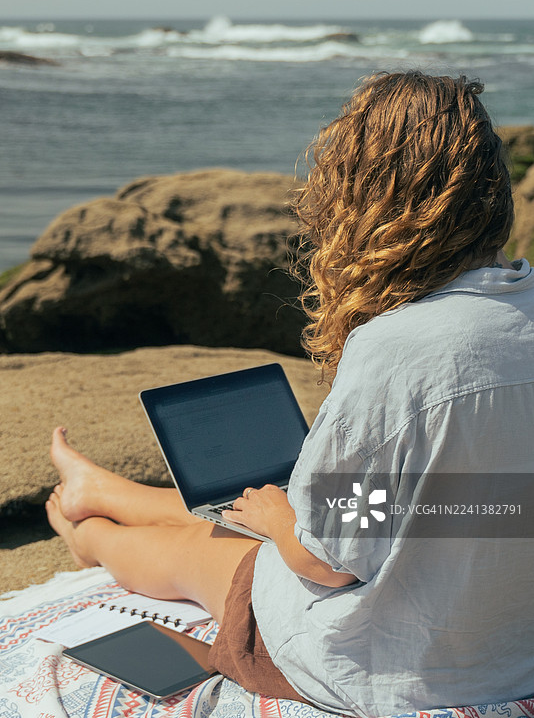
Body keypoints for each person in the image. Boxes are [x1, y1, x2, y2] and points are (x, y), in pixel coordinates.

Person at [47, 71, 534, 718]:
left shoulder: (396, 351)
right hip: (507, 643)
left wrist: (283, 523)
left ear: (367, 200)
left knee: (213, 547)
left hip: (388, 667)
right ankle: (102, 490)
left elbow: (329, 562)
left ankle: (93, 540)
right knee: (250, 507)